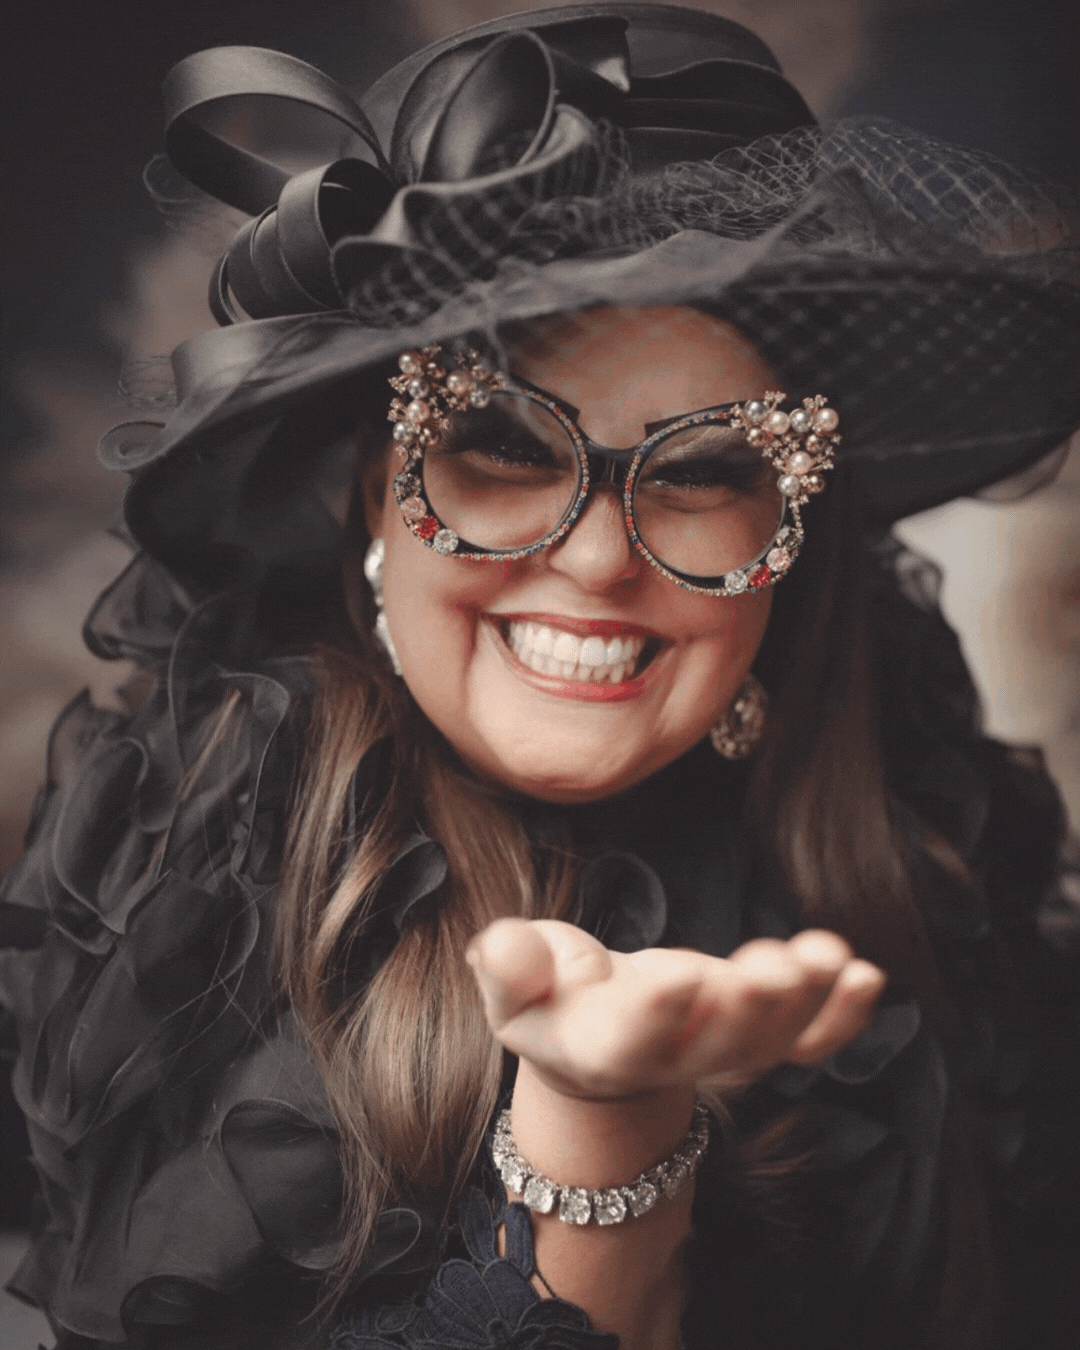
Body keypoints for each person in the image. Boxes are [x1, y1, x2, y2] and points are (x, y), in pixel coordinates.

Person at [2, 5, 1079, 1348]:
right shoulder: (209, 895)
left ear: (792, 540)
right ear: (368, 509)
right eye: (502, 447)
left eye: (697, 471)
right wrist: (596, 1119)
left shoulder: (934, 855)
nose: (596, 557)